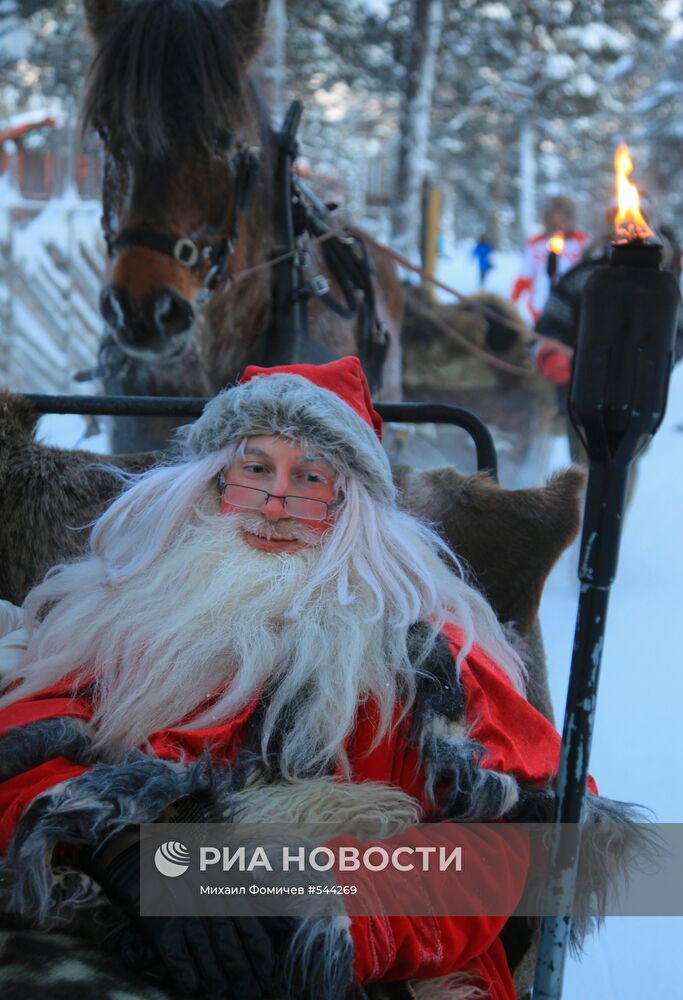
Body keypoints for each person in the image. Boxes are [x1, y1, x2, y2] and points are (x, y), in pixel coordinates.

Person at [0, 357, 635, 1000]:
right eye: (255, 470)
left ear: (350, 506)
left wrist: (301, 904)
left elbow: (507, 847)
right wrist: (122, 844)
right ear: (214, 483)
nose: (275, 504)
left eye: (308, 477)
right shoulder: (123, 611)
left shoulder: (423, 657)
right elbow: (26, 741)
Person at [533, 221, 683, 466]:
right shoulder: (585, 276)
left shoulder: (662, 286)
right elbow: (553, 319)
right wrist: (558, 352)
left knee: (623, 462)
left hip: (639, 392)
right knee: (585, 463)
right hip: (583, 386)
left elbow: (679, 337)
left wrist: (653, 361)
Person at [511, 196, 589, 325]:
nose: (558, 220)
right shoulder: (535, 244)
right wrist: (511, 303)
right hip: (540, 309)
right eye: (554, 215)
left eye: (564, 215)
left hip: (573, 310)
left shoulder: (582, 242)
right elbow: (524, 277)